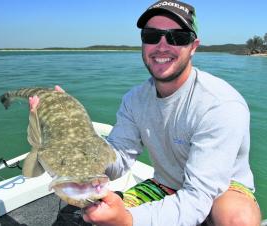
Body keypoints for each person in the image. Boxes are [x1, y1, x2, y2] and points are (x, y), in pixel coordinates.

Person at [81, 0, 262, 225]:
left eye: (178, 37)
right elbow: (117, 163)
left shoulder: (219, 104)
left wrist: (127, 220)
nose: (162, 46)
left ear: (194, 46)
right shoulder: (134, 100)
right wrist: (78, 142)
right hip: (165, 184)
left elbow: (199, 195)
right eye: (151, 35)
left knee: (237, 219)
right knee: (94, 216)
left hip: (223, 189)